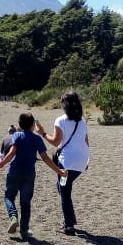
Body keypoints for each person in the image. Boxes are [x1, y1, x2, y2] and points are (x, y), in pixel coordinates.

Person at [0, 112, 67, 238]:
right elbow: (45, 158)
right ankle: (24, 230)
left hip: (14, 171)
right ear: (33, 125)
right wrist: (59, 171)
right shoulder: (37, 139)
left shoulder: (17, 135)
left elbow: (11, 153)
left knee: (8, 197)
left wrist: (1, 164)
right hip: (29, 174)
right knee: (26, 202)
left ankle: (13, 217)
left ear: (20, 125)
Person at [36, 90, 90, 235]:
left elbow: (55, 142)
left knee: (65, 192)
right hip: (80, 162)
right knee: (63, 187)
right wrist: (87, 159)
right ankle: (71, 218)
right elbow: (86, 141)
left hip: (67, 162)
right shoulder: (82, 121)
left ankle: (68, 225)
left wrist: (42, 133)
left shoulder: (61, 120)